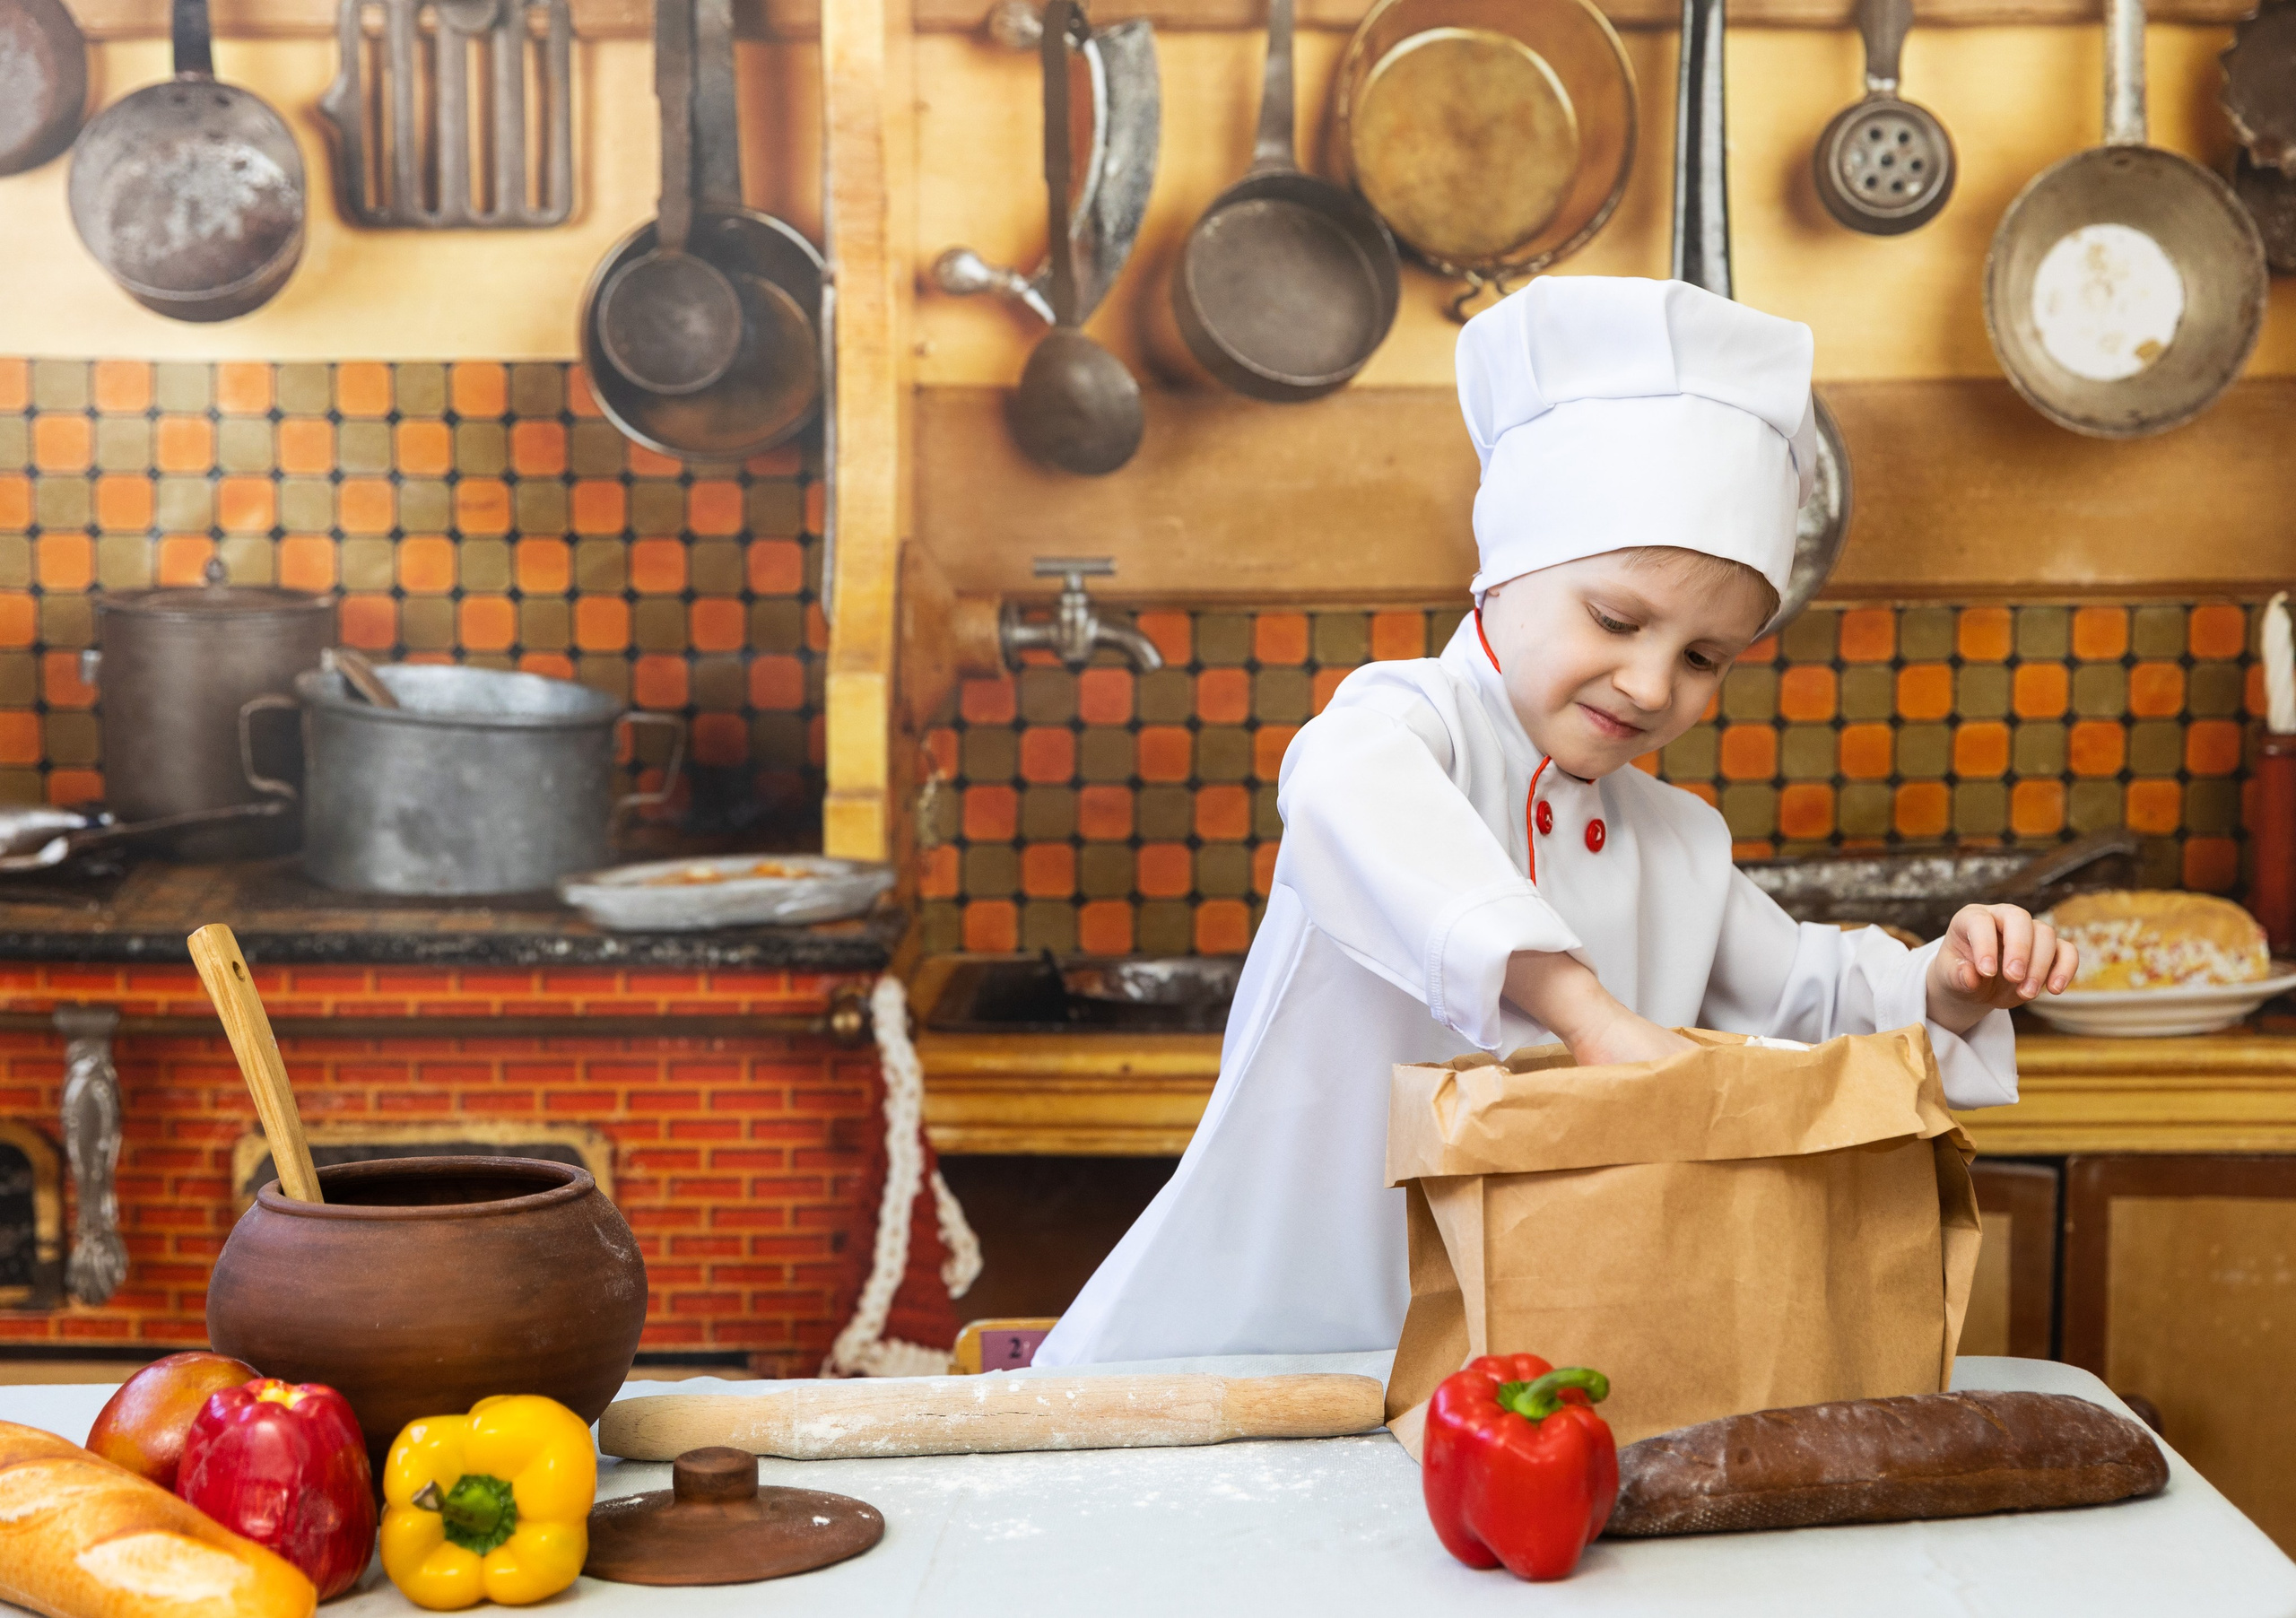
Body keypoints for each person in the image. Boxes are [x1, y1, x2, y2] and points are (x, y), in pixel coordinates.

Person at [1031, 276, 2077, 1370]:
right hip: (1275, 1340)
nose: (1648, 681)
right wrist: (1580, 1008)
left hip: (1529, 1362)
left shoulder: (1674, 840)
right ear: (1504, 570)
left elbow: (1808, 997)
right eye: (1617, 618)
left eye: (1704, 658)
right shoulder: (1400, 727)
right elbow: (1348, 792)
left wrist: (1949, 985)